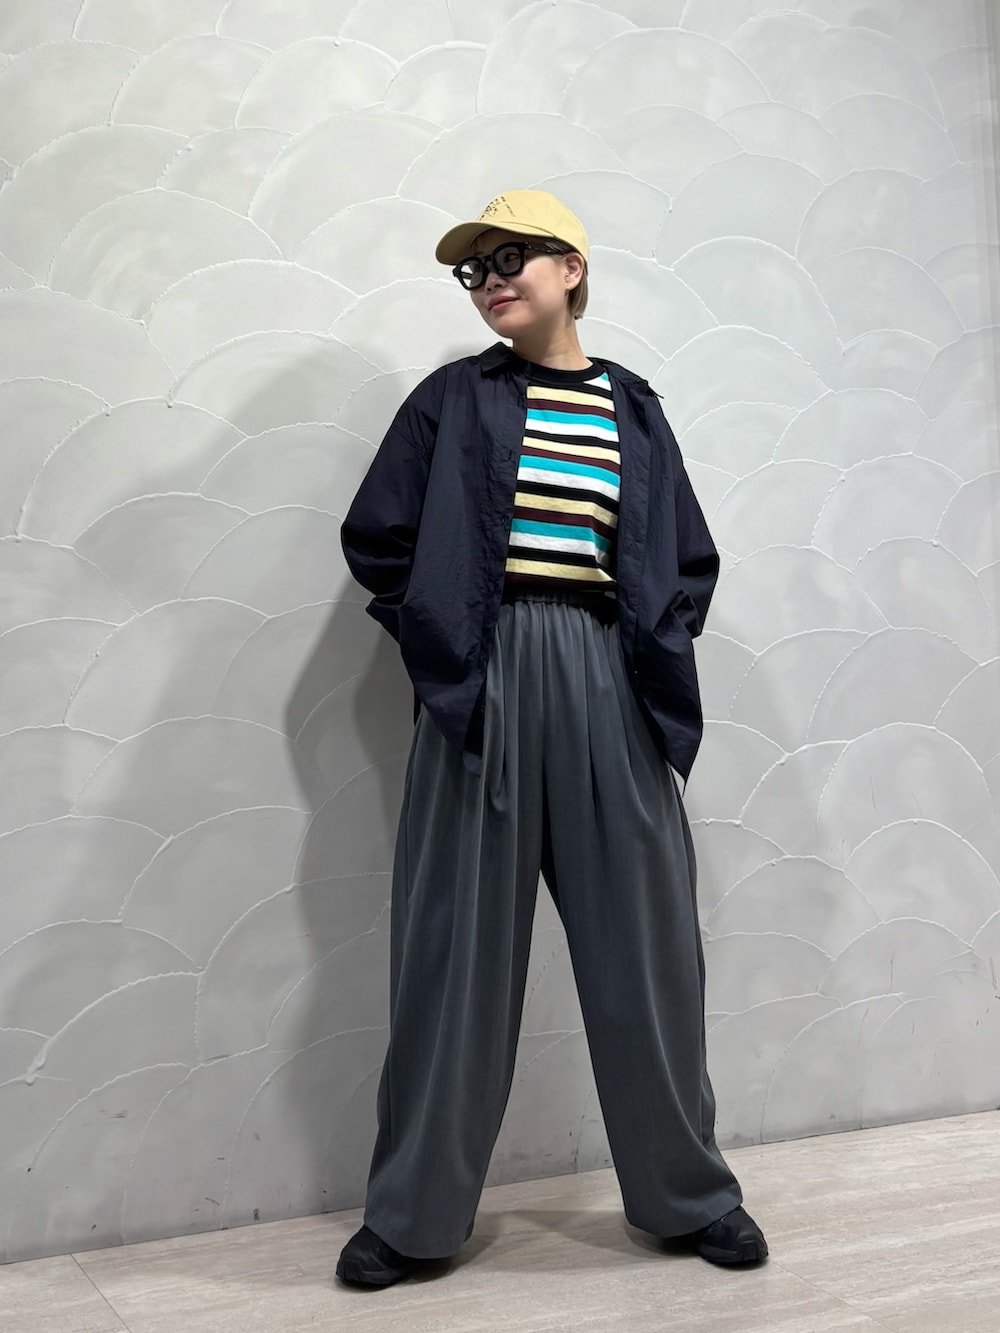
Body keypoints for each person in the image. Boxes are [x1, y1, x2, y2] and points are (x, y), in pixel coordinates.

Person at [335, 190, 768, 1287]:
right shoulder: (451, 400)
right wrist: (443, 635)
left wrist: (644, 645)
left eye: (510, 257)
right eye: (472, 269)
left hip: (607, 671)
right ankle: (413, 1215)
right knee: (453, 953)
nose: (489, 280)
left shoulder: (633, 407)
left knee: (649, 945)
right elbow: (379, 538)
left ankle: (688, 1195)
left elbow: (684, 556)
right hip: (480, 682)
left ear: (571, 267)